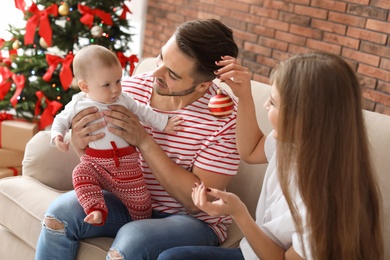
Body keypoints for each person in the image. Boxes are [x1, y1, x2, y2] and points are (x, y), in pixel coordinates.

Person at [36, 19, 240, 260]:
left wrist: (144, 140)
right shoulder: (125, 91)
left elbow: (198, 202)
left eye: (171, 74)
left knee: (133, 241)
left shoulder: (224, 119)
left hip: (191, 221)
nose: (155, 73)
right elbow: (99, 160)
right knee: (58, 215)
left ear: (203, 85)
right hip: (126, 200)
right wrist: (81, 144)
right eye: (161, 57)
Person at [157, 52, 384, 260]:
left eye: (273, 102)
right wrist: (243, 95)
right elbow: (250, 150)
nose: (265, 105)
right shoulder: (295, 142)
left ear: (303, 117)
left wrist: (239, 213)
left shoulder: (327, 201)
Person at [50, 45, 183, 225]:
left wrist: (164, 123)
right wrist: (57, 136)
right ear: (84, 86)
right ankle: (95, 209)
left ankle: (140, 224)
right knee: (80, 174)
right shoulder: (78, 104)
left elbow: (144, 112)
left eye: (118, 81)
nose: (115, 89)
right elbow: (60, 120)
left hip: (127, 165)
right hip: (95, 164)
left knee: (141, 202)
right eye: (106, 85)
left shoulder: (124, 99)